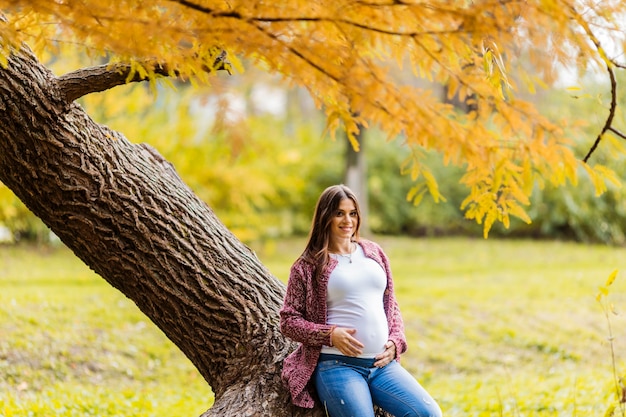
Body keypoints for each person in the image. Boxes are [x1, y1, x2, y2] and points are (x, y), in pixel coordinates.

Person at [280, 184, 442, 417]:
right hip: (337, 366)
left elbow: (391, 305)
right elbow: (288, 321)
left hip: (382, 366)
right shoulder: (307, 266)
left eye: (352, 213)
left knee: (428, 414)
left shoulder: (373, 252)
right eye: (339, 213)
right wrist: (330, 334)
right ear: (325, 217)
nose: (348, 220)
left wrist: (396, 341)